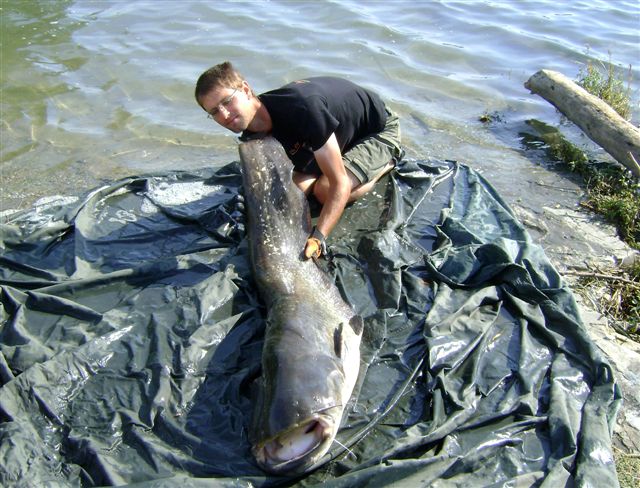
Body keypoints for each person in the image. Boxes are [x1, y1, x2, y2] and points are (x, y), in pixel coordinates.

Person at [195, 61, 403, 260]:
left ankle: (385, 165)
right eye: (214, 111)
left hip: (378, 130)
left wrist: (319, 237)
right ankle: (331, 162)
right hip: (333, 138)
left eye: (227, 101)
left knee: (325, 190)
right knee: (289, 193)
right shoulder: (250, 130)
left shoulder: (303, 108)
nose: (224, 114)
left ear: (246, 90)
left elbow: (339, 183)